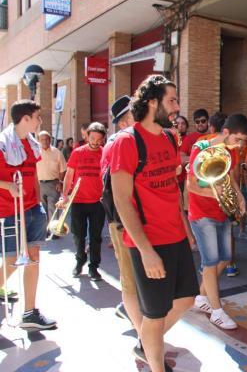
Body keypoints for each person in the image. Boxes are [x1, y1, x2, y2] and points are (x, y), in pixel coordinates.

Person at [111, 75, 197, 372]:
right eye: (171, 100)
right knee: (156, 314)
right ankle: (154, 362)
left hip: (175, 235)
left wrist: (186, 231)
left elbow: (171, 188)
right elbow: (122, 201)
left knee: (187, 299)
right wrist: (146, 250)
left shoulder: (170, 137)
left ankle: (146, 342)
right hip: (148, 241)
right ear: (152, 102)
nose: (177, 107)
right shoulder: (126, 142)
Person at [188, 113, 247, 330]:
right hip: (202, 213)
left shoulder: (230, 151)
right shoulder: (200, 147)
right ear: (226, 133)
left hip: (221, 212)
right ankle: (217, 311)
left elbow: (229, 178)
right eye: (238, 139)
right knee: (211, 262)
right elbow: (192, 185)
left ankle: (202, 297)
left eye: (244, 140)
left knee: (225, 258)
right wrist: (216, 195)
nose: (241, 144)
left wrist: (239, 196)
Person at [0, 100, 56, 330]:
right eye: (37, 116)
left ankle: (30, 313)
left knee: (33, 259)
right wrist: (7, 185)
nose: (39, 121)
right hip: (10, 211)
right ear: (25, 118)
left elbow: (31, 174)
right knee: (12, 261)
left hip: (32, 209)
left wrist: (39, 205)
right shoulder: (3, 144)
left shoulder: (31, 144)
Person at [100, 95, 140, 330]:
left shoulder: (130, 140)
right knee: (130, 279)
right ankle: (140, 330)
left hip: (130, 219)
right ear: (124, 121)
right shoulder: (119, 143)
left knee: (135, 276)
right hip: (123, 220)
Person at [59, 122, 106, 281]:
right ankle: (80, 260)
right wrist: (64, 196)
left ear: (102, 140)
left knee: (96, 237)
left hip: (97, 202)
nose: (94, 141)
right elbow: (69, 175)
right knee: (78, 235)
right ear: (87, 136)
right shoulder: (77, 153)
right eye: (92, 137)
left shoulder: (104, 153)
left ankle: (94, 267)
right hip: (78, 201)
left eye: (98, 139)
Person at [36, 131, 66, 232]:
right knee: (41, 209)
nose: (45, 141)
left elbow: (63, 169)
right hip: (39, 184)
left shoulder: (57, 152)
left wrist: (60, 182)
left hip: (53, 184)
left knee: (53, 208)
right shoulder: (35, 152)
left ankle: (54, 231)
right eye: (42, 139)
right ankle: (44, 231)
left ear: (50, 140)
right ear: (38, 141)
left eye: (47, 139)